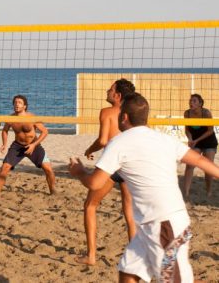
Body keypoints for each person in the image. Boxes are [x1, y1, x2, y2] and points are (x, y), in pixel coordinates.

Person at [69, 93, 219, 283]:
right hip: (154, 225)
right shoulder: (163, 139)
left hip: (164, 225)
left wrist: (79, 171)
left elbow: (94, 183)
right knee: (128, 272)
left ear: (124, 117)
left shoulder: (118, 143)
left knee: (175, 280)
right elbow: (198, 159)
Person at [76, 79, 137, 265]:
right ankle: (135, 257)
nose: (107, 91)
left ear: (117, 96)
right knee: (129, 211)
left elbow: (102, 141)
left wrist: (89, 150)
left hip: (111, 164)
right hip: (129, 164)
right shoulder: (133, 114)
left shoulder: (106, 112)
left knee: (90, 206)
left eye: (110, 90)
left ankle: (91, 255)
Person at [0, 94, 56, 195]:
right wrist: (4, 144)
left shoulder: (32, 117)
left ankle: (53, 191)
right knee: (4, 168)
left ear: (25, 106)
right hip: (17, 146)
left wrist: (34, 145)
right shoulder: (11, 118)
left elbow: (45, 132)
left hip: (33, 145)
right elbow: (5, 130)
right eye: (15, 102)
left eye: (19, 103)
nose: (16, 104)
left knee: (48, 169)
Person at [183, 93, 217, 200]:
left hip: (208, 142)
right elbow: (187, 129)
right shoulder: (187, 113)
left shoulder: (206, 113)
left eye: (194, 101)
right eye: (190, 101)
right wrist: (190, 139)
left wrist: (196, 140)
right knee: (189, 165)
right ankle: (186, 193)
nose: (191, 103)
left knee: (208, 168)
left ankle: (209, 191)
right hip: (195, 142)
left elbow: (210, 131)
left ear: (200, 104)